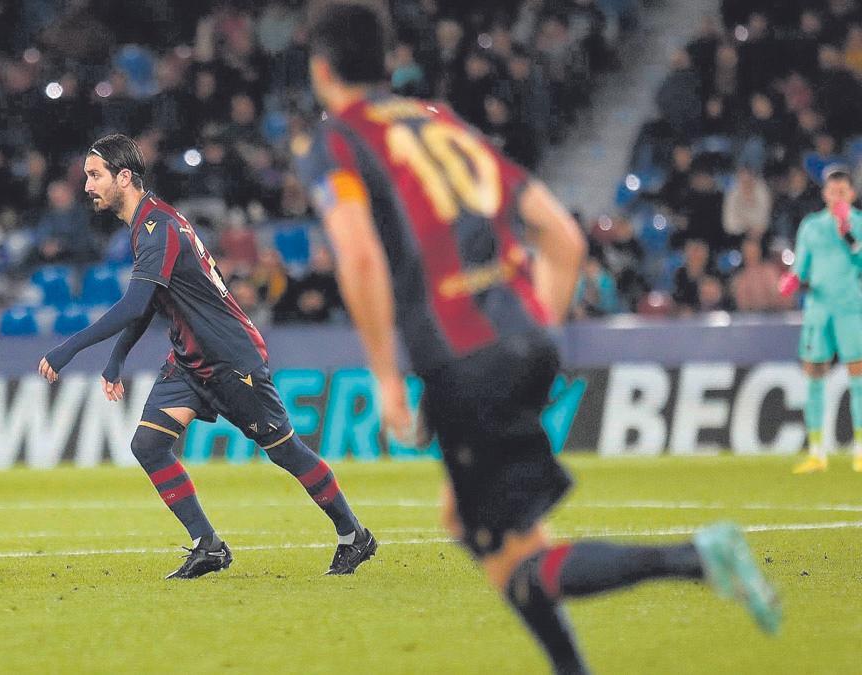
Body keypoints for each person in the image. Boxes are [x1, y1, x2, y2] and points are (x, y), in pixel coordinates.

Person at [295, 6, 779, 674]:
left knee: (509, 550)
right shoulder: (444, 125)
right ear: (387, 63)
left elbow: (359, 256)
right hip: (524, 334)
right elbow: (565, 237)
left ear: (322, 70)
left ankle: (697, 557)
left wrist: (384, 379)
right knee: (478, 527)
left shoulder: (340, 139)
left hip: (465, 356)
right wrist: (525, 332)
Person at [37, 134, 375, 579]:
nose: (87, 185)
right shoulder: (148, 223)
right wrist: (117, 359)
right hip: (190, 360)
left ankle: (354, 535)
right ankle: (208, 545)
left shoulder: (159, 228)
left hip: (231, 359)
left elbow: (136, 304)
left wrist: (68, 349)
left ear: (124, 177)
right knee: (148, 444)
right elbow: (153, 299)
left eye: (95, 175)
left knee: (284, 451)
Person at [780, 164, 862, 473]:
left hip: (851, 307)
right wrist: (791, 280)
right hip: (818, 307)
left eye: (842, 191)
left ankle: (860, 450)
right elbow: (801, 265)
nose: (837, 196)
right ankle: (817, 451)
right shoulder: (811, 226)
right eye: (832, 191)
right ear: (825, 194)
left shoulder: (859, 224)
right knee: (814, 374)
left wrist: (849, 235)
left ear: (851, 193)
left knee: (859, 376)